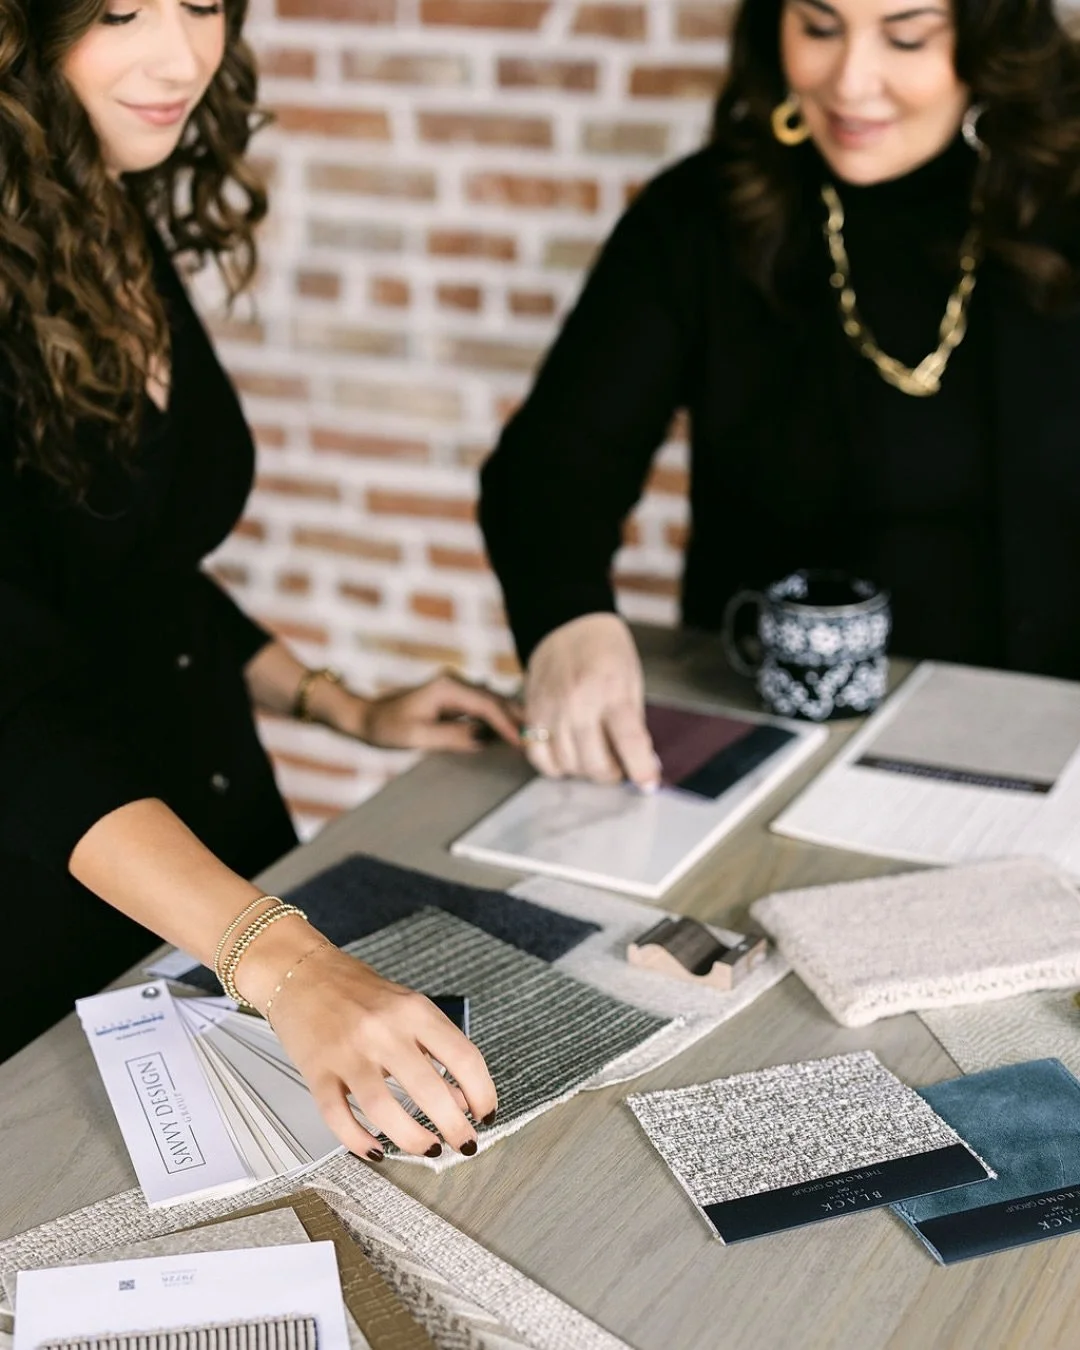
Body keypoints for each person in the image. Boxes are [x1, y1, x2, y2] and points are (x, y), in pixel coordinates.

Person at [0, 0, 520, 1159]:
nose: (182, 56)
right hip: (55, 915)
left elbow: (132, 574)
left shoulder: (99, 207)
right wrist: (286, 965)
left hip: (223, 861)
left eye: (202, 3)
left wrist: (340, 703)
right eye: (120, 10)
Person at [480, 0, 1080, 786]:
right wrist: (567, 617)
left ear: (989, 38)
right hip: (776, 745)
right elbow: (553, 465)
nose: (851, 82)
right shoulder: (703, 215)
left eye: (905, 37)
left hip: (1054, 740)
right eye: (820, 28)